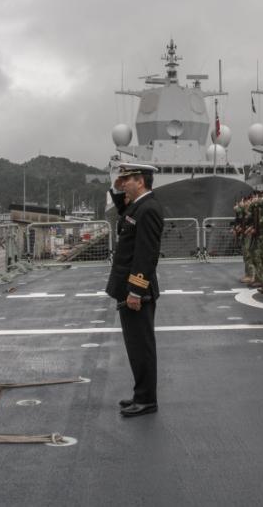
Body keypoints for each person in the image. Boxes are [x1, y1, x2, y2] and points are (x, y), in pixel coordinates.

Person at [105, 163, 165, 417]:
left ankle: (147, 400)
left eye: (127, 178)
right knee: (135, 346)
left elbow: (146, 255)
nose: (123, 181)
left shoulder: (149, 209)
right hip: (127, 287)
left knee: (142, 347)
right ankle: (140, 395)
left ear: (140, 181)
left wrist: (135, 291)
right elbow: (122, 211)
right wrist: (116, 187)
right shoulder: (137, 206)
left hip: (137, 290)